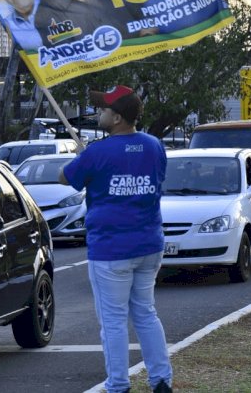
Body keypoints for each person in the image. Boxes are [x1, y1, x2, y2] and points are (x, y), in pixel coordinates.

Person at [59, 85, 173, 393]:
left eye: (104, 109)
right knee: (146, 313)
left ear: (118, 117)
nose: (99, 113)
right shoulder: (154, 146)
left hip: (111, 248)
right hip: (149, 242)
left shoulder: (97, 151)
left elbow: (65, 178)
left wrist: (83, 156)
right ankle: (161, 381)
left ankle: (119, 385)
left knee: (113, 321)